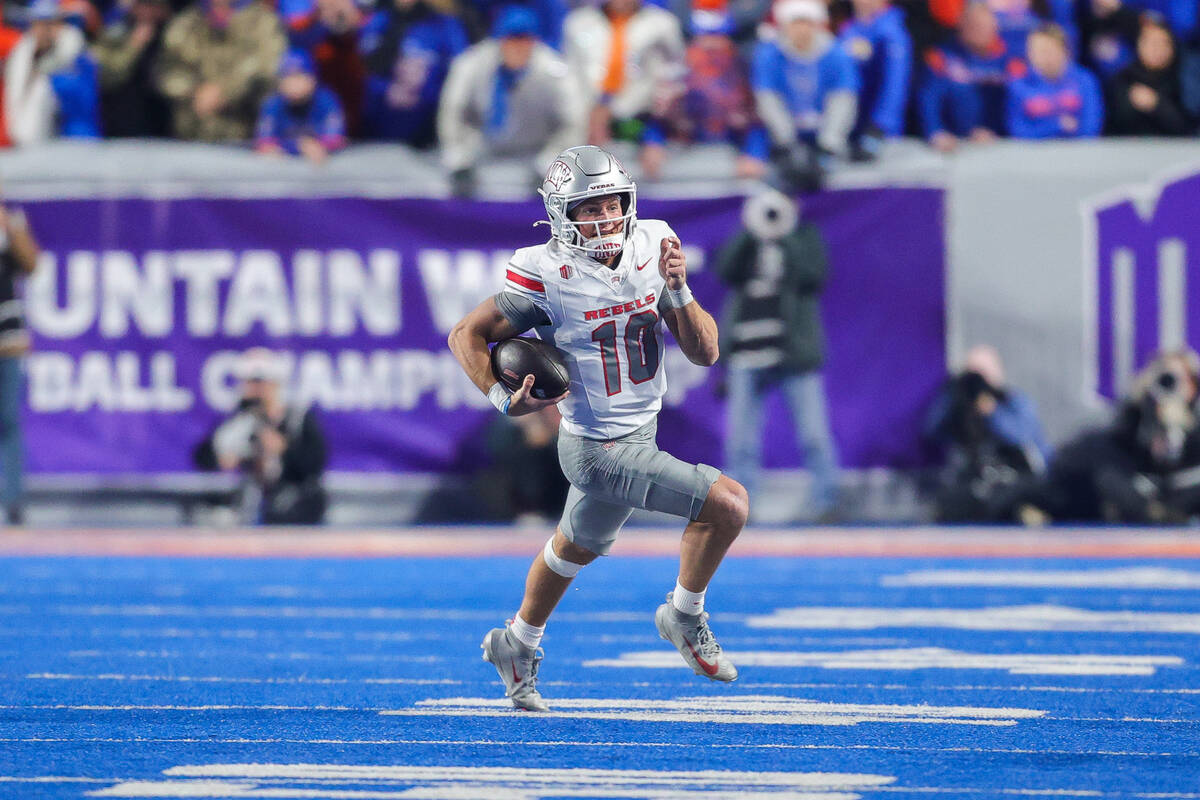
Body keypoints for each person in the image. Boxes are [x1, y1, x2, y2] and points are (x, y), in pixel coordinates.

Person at [447, 145, 748, 712]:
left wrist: (679, 290)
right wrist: (500, 396)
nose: (606, 217)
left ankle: (516, 642)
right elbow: (466, 333)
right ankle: (684, 615)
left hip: (641, 431)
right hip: (594, 446)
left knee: (572, 549)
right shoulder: (546, 274)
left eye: (613, 203)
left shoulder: (653, 244)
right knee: (727, 505)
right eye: (590, 208)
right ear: (563, 215)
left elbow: (706, 352)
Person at [715, 188, 839, 521]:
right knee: (741, 441)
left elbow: (814, 275)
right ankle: (741, 508)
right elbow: (725, 270)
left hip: (793, 354)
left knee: (813, 434)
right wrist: (750, 231)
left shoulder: (805, 236)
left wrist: (786, 234)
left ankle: (827, 503)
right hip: (746, 353)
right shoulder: (749, 239)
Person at [437, 6, 583, 196]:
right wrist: (458, 160)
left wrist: (550, 164)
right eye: (511, 39)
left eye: (524, 39)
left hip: (535, 152)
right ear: (499, 40)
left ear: (535, 41)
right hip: (481, 152)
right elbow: (452, 112)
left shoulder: (555, 72)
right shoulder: (471, 64)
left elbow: (573, 123)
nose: (517, 47)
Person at [193, 348, 328, 525]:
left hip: (294, 508)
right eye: (249, 382)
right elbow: (203, 456)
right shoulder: (239, 420)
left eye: (259, 382)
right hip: (253, 506)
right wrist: (224, 458)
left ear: (275, 383)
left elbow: (314, 464)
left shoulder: (298, 419)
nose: (255, 389)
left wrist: (284, 449)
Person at [923, 344, 1051, 522]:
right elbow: (931, 430)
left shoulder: (1014, 401)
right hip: (976, 481)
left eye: (983, 373)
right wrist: (953, 395)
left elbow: (1020, 436)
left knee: (1015, 502)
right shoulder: (960, 406)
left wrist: (992, 412)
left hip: (1016, 478)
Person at [563, 0, 685, 179]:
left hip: (642, 120)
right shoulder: (577, 23)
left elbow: (672, 77)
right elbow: (570, 79)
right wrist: (589, 117)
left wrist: (653, 134)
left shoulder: (662, 24)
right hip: (585, 121)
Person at [752, 0, 858, 175]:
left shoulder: (836, 54)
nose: (801, 30)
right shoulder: (769, 55)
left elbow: (843, 100)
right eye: (795, 23)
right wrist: (786, 140)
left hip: (825, 135)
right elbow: (768, 99)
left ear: (818, 24)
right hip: (784, 138)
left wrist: (829, 143)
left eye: (807, 23)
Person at [156, 0, 286, 142]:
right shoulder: (186, 22)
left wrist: (225, 91)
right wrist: (194, 91)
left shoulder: (263, 22)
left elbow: (269, 67)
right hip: (189, 133)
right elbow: (165, 68)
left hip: (244, 132)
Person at [668, 6, 770, 179]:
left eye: (718, 37)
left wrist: (754, 153)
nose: (711, 45)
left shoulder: (745, 73)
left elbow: (758, 121)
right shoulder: (678, 73)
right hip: (686, 157)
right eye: (705, 37)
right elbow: (659, 119)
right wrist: (653, 142)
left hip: (732, 156)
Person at [919, 1, 1025, 150]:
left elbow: (1019, 104)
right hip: (952, 142)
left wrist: (994, 130)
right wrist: (935, 132)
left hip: (997, 142)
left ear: (995, 27)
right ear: (961, 25)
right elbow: (928, 99)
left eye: (984, 26)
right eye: (973, 25)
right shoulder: (941, 58)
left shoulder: (1011, 62)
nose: (979, 31)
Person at [360, 0, 467, 146]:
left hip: (427, 135)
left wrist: (426, 94)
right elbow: (363, 71)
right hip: (375, 132)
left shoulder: (445, 25)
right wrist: (387, 89)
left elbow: (461, 75)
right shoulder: (378, 22)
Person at [4, 0, 101, 145]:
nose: (44, 30)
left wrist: (52, 78)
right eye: (39, 24)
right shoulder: (22, 57)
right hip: (27, 143)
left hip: (72, 142)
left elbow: (83, 106)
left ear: (59, 24)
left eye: (49, 23)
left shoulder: (76, 56)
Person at [0, 204, 41, 525]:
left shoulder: (10, 222)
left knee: (9, 420)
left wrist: (10, 229)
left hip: (8, 339)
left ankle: (12, 501)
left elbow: (32, 264)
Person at [837, 0, 911, 160]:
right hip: (848, 125)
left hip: (879, 131)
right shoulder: (848, 28)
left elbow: (895, 83)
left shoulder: (891, 31)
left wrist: (881, 124)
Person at [1007, 23, 1104, 139]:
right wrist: (1056, 125)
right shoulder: (1019, 84)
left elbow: (1091, 126)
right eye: (1036, 51)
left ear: (1064, 51)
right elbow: (1018, 130)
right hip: (1035, 149)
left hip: (1078, 147)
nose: (1042, 56)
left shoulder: (1085, 80)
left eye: (1048, 50)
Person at [94, 0, 173, 138]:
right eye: (143, 6)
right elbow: (108, 74)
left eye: (153, 7)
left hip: (164, 120)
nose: (147, 12)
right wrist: (134, 46)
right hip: (122, 119)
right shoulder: (115, 31)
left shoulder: (172, 32)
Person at [255, 50, 347, 162]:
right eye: (287, 77)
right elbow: (265, 143)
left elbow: (335, 140)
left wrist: (319, 147)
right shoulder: (272, 104)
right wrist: (298, 146)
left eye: (299, 76)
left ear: (313, 79)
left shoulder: (327, 101)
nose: (293, 83)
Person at [1107, 16, 1193, 135]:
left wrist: (1158, 104)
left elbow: (1188, 126)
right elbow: (1115, 123)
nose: (1157, 49)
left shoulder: (1184, 78)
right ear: (1139, 45)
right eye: (1152, 43)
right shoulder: (1124, 79)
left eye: (1164, 43)